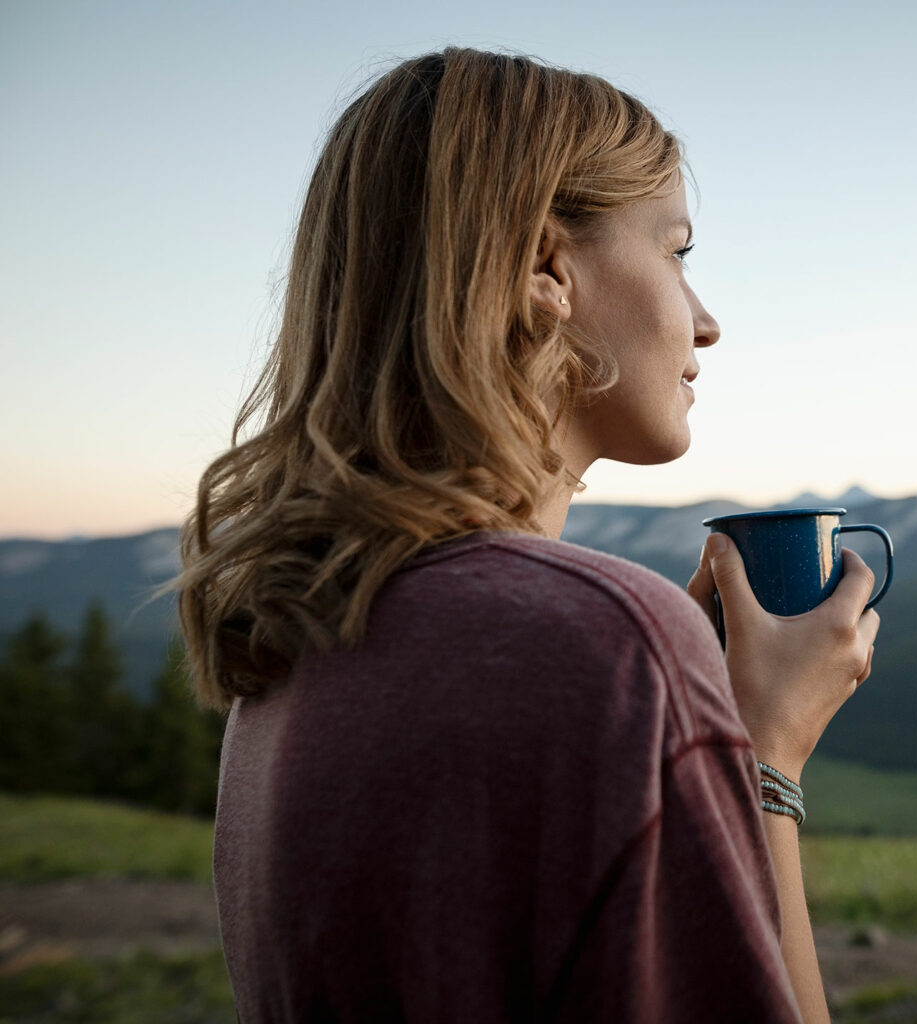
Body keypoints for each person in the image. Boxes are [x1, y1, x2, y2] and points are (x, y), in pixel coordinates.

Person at [171, 47, 879, 1022]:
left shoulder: (299, 633)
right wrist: (762, 760)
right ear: (548, 266)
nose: (704, 322)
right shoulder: (615, 642)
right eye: (676, 252)